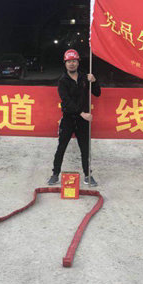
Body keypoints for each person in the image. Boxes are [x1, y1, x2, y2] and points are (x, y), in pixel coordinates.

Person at [47, 49, 101, 187]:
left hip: (83, 121)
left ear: (78, 62)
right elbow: (66, 101)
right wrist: (81, 113)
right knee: (61, 147)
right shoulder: (62, 81)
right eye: (69, 61)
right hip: (68, 118)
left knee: (85, 149)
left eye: (74, 61)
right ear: (65, 63)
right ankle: (55, 174)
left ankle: (88, 175)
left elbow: (97, 93)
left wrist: (94, 81)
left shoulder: (84, 77)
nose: (72, 64)